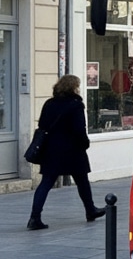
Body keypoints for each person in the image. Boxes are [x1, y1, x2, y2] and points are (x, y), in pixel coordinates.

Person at [27, 74, 105, 230]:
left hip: (51, 149)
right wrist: (85, 143)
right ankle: (90, 210)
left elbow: (42, 124)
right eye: (77, 85)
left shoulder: (49, 103)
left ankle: (34, 217)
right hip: (72, 149)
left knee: (46, 182)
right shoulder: (75, 104)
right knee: (82, 181)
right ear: (73, 87)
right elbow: (79, 129)